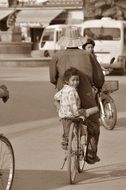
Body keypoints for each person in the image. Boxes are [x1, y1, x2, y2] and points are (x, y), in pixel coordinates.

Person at [49, 26, 105, 164]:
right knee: (93, 123)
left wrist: (61, 84)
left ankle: (66, 140)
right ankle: (91, 154)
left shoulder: (57, 56)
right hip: (86, 95)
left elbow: (52, 78)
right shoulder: (88, 55)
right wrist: (97, 87)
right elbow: (98, 77)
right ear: (79, 40)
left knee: (66, 114)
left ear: (65, 41)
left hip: (66, 96)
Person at [54, 67, 91, 150]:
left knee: (66, 130)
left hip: (64, 115)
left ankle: (66, 142)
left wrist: (59, 106)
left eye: (77, 80)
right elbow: (72, 103)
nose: (76, 82)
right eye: (73, 80)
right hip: (73, 114)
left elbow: (56, 97)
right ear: (67, 81)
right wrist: (77, 114)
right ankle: (82, 141)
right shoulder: (72, 90)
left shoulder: (64, 89)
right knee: (84, 122)